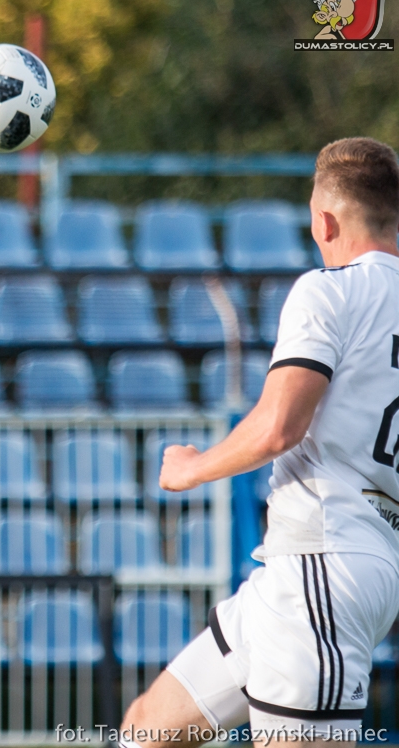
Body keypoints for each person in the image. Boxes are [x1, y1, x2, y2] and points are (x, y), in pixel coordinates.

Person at [120, 137, 399, 748]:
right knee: (147, 729)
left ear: (322, 220)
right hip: (329, 564)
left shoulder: (330, 290)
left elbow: (279, 425)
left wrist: (191, 469)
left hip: (322, 565)